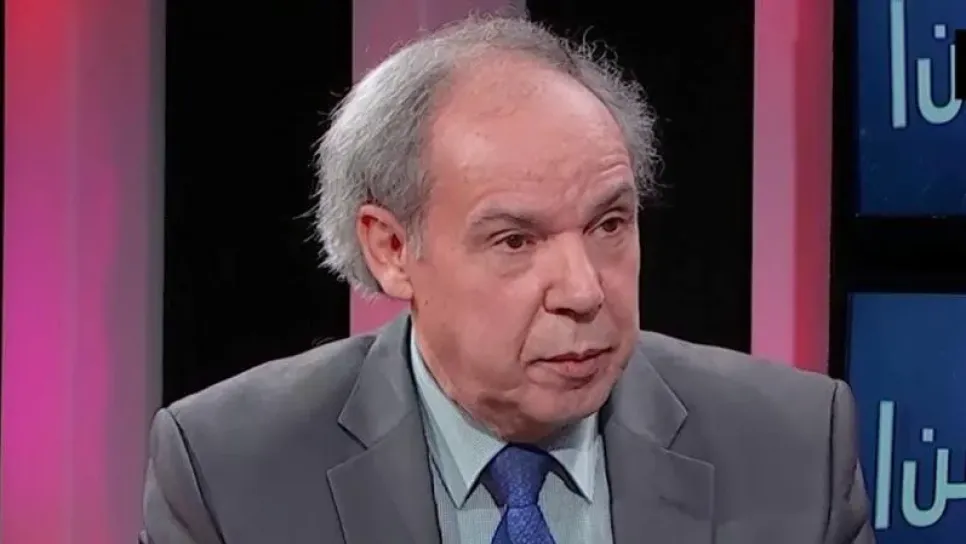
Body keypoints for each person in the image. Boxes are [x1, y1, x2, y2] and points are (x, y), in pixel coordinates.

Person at [140, 15, 874, 544]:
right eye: (515, 240)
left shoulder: (795, 449)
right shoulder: (229, 472)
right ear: (392, 248)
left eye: (609, 224)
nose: (583, 291)